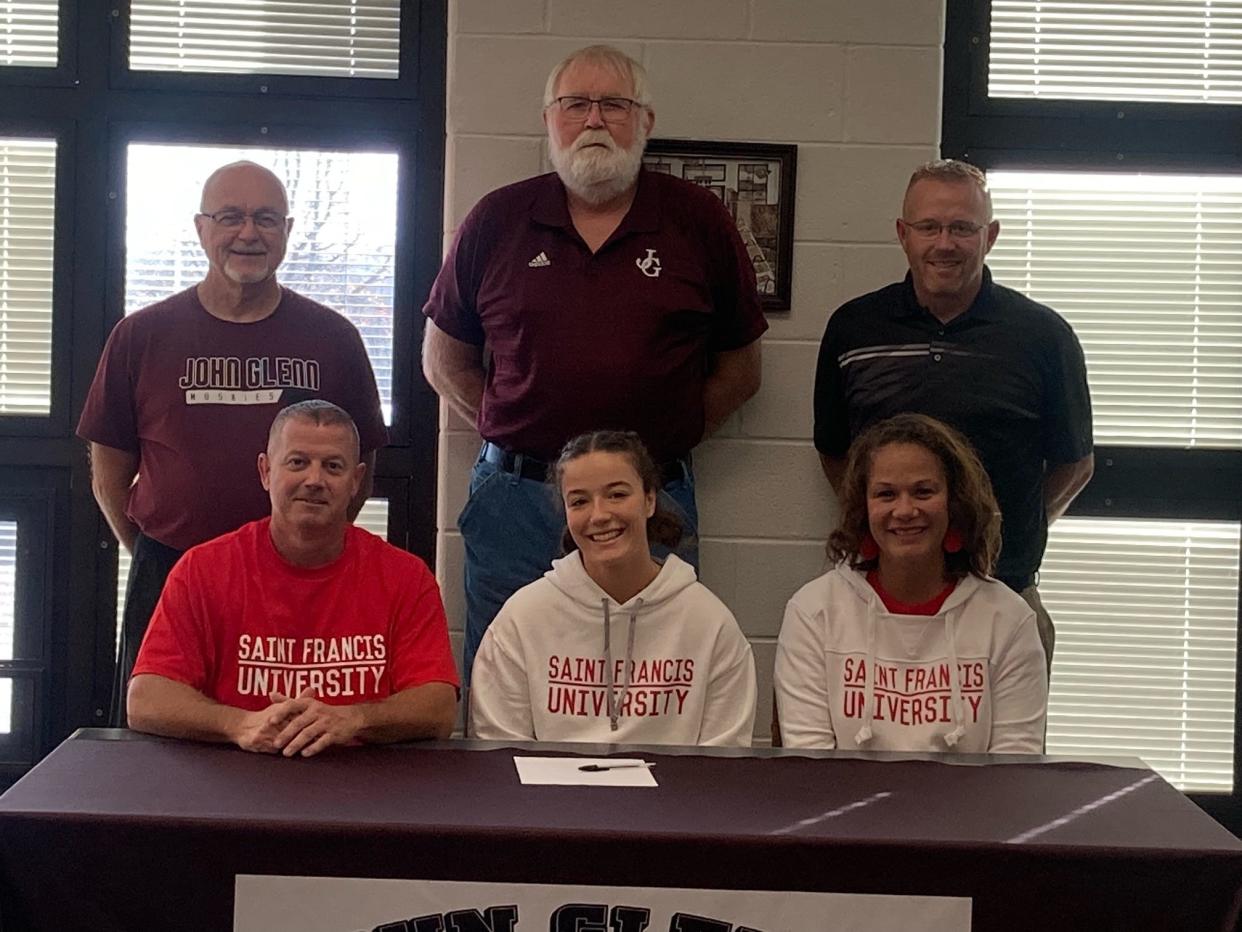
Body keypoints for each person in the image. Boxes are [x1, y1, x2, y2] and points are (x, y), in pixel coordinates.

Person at [422, 45, 768, 683]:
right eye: (575, 104)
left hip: (649, 501)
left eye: (614, 104)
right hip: (516, 502)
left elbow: (742, 372)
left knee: (651, 682)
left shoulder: (698, 221)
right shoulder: (497, 219)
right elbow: (444, 362)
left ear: (646, 121)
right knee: (505, 680)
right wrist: (510, 423)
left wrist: (651, 451)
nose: (594, 120)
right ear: (549, 119)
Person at [78, 160, 389, 726]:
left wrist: (305, 542)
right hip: (172, 571)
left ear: (288, 232)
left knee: (291, 738)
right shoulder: (142, 336)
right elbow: (109, 473)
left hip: (294, 583)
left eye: (266, 219)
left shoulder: (333, 338)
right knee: (160, 744)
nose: (249, 233)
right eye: (231, 217)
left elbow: (358, 466)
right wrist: (166, 554)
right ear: (201, 229)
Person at [813, 159, 1093, 670]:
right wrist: (895, 527)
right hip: (875, 598)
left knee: (1008, 751)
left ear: (990, 236)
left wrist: (997, 525)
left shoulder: (1043, 336)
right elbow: (836, 453)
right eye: (929, 227)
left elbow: (1075, 464)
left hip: (1003, 593)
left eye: (963, 228)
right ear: (903, 234)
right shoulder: (853, 329)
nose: (945, 243)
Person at [126, 401, 457, 756]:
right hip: (236, 783)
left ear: (355, 482)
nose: (314, 480)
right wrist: (238, 724)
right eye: (297, 462)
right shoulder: (202, 571)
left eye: (333, 466)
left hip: (365, 786)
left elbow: (438, 708)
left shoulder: (405, 577)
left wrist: (354, 719)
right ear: (265, 471)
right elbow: (145, 698)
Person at [776, 414, 1047, 754]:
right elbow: (811, 767)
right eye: (886, 494)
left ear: (954, 501)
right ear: (864, 507)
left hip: (968, 808)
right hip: (847, 806)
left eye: (923, 491)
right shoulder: (813, 611)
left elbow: (1013, 772)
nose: (905, 510)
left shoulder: (1009, 619)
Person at [470, 430, 756, 746]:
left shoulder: (710, 623)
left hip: (676, 795)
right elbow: (499, 752)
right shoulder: (521, 619)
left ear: (649, 500)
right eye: (579, 501)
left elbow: (723, 762)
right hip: (551, 795)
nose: (600, 515)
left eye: (617, 495)